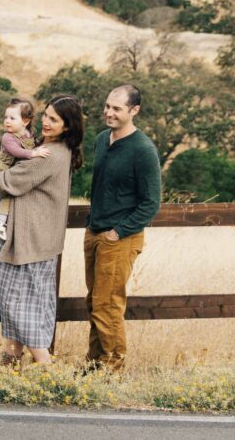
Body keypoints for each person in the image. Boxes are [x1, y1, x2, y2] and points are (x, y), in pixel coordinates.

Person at [0, 95, 84, 366]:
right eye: (46, 116)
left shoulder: (49, 156)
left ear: (68, 126)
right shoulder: (52, 148)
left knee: (19, 303)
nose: (46, 122)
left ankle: (45, 366)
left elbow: (6, 181)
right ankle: (11, 359)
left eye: (54, 119)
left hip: (30, 239)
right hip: (36, 239)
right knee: (25, 300)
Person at [84, 84, 161, 371]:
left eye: (117, 108)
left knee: (108, 304)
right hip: (95, 232)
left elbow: (151, 203)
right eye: (107, 106)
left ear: (134, 110)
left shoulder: (143, 150)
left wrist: (117, 232)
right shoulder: (103, 139)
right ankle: (93, 366)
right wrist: (94, 226)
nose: (109, 112)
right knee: (94, 302)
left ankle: (113, 370)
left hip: (120, 237)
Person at [0, 98, 51, 241]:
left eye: (12, 118)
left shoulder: (29, 135)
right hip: (3, 168)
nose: (7, 121)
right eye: (5, 117)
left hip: (14, 168)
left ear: (25, 121)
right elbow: (16, 152)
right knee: (10, 192)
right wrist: (33, 153)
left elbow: (31, 146)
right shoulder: (7, 137)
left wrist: (37, 149)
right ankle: (0, 222)